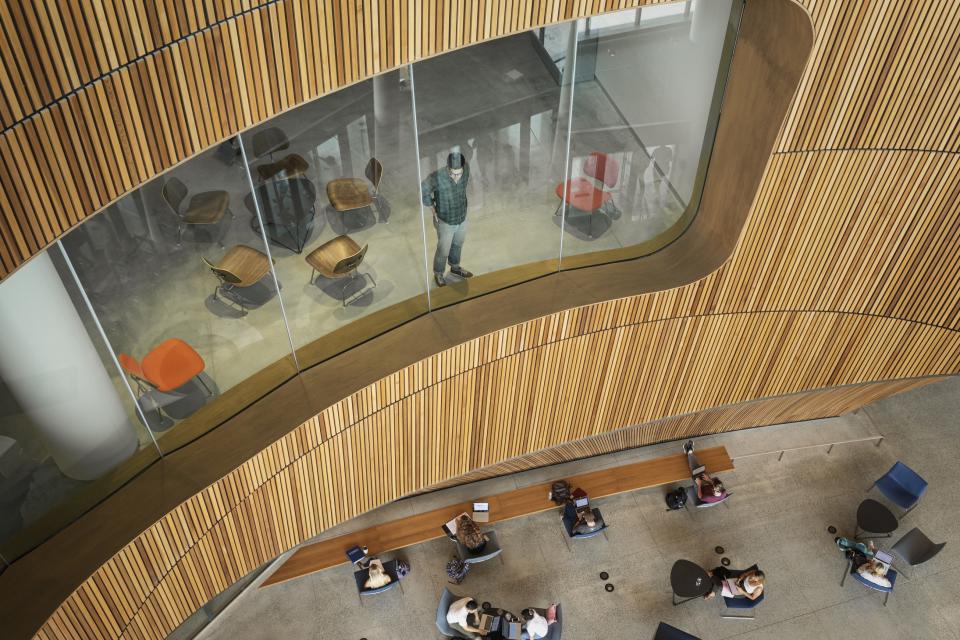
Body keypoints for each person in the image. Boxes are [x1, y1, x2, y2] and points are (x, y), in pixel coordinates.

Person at [421, 151, 474, 287]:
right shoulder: (437, 177)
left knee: (458, 244)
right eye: (452, 173)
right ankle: (438, 273)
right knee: (443, 249)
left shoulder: (466, 169)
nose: (456, 176)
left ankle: (455, 267)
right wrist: (432, 208)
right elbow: (424, 190)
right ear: (447, 168)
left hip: (461, 217)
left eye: (459, 173)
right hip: (445, 221)